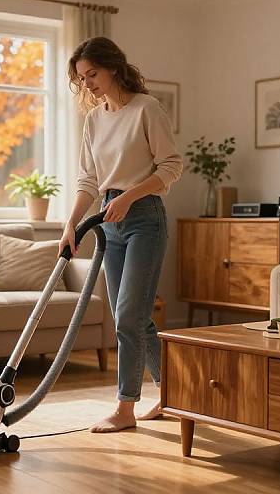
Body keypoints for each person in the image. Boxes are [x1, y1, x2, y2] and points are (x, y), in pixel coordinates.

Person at [58, 37, 183, 433]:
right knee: (131, 316)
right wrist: (71, 225)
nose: (88, 83)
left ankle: (125, 408)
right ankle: (172, 393)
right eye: (82, 77)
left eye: (92, 74)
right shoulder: (94, 120)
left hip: (144, 217)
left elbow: (171, 166)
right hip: (107, 222)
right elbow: (88, 179)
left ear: (113, 67)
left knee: (129, 314)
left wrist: (130, 196)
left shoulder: (147, 108)